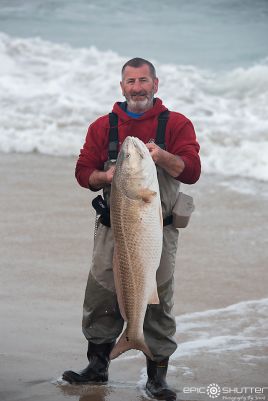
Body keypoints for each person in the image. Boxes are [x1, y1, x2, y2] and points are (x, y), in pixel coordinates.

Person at [63, 57, 201, 400]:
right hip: (113, 229)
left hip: (157, 229)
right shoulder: (103, 127)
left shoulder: (177, 124)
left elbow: (192, 171)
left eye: (143, 81)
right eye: (130, 82)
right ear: (121, 86)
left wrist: (163, 157)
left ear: (156, 83)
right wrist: (105, 177)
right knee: (100, 296)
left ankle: (157, 377)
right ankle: (97, 367)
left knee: (158, 299)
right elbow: (83, 173)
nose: (137, 88)